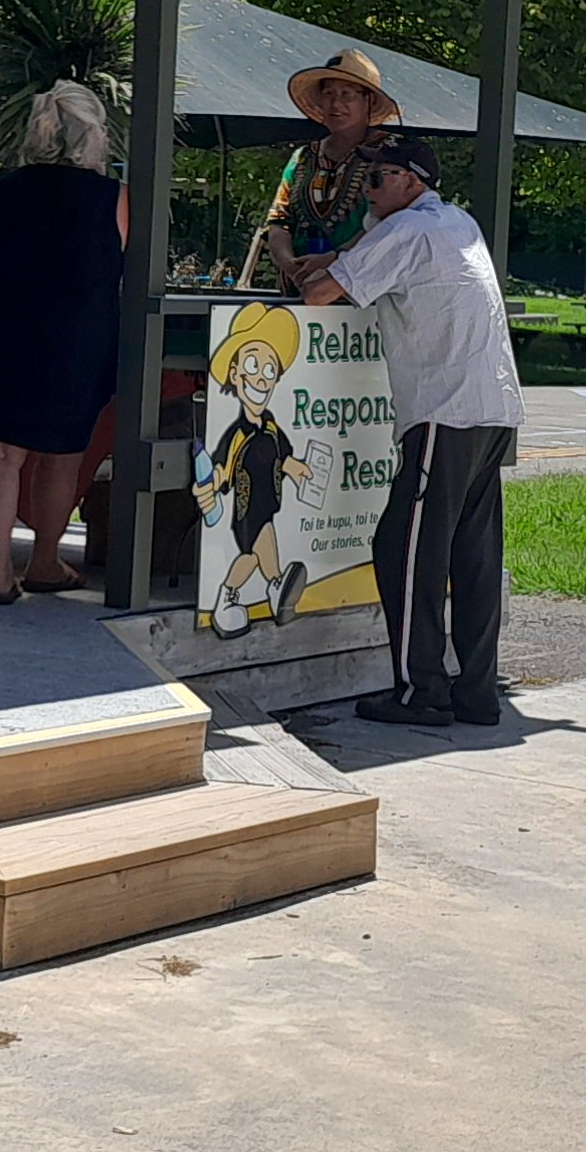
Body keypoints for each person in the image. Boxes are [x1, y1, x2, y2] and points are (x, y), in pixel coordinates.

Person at [296, 129, 521, 728]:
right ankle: (477, 692)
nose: (363, 188)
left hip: (441, 413)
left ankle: (420, 690)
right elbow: (373, 262)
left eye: (374, 178)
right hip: (491, 408)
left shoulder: (406, 230)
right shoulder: (455, 223)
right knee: (472, 556)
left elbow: (319, 294)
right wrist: (344, 257)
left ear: (409, 183)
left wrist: (299, 260)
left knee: (405, 550)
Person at [0, 79, 126, 603]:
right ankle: (44, 560)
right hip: (73, 335)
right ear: (93, 135)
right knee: (61, 453)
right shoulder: (111, 197)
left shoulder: (3, 186)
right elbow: (121, 260)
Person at [194, 300, 313, 632]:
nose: (261, 377)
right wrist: (210, 484)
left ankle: (230, 596)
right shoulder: (236, 434)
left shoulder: (271, 425)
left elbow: (282, 455)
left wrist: (295, 468)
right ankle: (274, 586)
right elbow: (222, 467)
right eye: (252, 363)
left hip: (268, 504)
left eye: (270, 369)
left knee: (252, 557)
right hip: (247, 511)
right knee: (261, 544)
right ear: (234, 373)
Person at [252, 49, 397, 291]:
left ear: (368, 100)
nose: (335, 103)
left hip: (362, 299)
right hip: (297, 294)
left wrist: (335, 259)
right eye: (328, 93)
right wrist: (290, 264)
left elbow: (395, 225)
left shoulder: (391, 154)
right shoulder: (303, 157)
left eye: (346, 94)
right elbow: (278, 221)